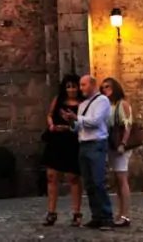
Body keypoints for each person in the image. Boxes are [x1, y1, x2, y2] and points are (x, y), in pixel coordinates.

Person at [60, 74, 114, 230]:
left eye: (83, 85)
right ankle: (96, 216)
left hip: (97, 144)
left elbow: (96, 122)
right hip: (83, 144)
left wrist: (77, 118)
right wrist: (71, 121)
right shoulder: (83, 104)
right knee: (89, 184)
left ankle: (107, 217)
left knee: (98, 182)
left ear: (92, 85)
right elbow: (79, 126)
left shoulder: (102, 101)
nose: (81, 88)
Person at [41, 74, 83, 227]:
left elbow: (83, 121)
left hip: (72, 141)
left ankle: (76, 213)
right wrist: (51, 125)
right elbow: (50, 115)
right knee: (52, 175)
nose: (71, 89)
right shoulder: (58, 100)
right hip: (56, 140)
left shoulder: (82, 103)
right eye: (68, 86)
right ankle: (51, 212)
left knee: (73, 177)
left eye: (74, 86)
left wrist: (69, 124)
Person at [101, 77, 133, 228]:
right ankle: (120, 212)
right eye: (103, 87)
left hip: (120, 145)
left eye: (108, 86)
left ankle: (125, 214)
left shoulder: (122, 104)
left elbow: (127, 125)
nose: (105, 89)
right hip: (112, 145)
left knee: (122, 179)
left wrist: (123, 143)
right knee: (117, 180)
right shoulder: (108, 105)